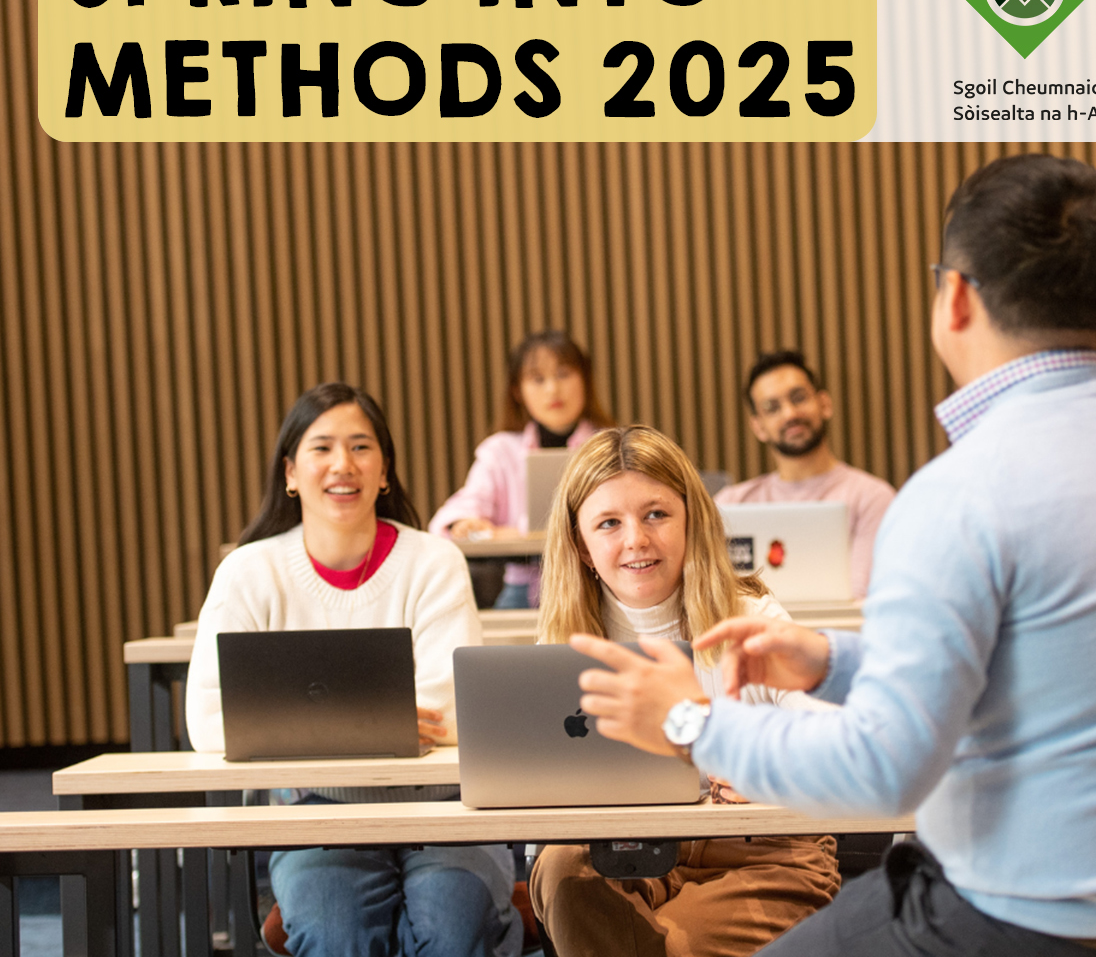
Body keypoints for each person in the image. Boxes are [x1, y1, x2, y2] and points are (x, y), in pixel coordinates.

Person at [564, 155, 1096, 956]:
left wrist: (688, 721)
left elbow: (883, 772)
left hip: (1039, 928)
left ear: (955, 298)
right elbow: (1043, 667)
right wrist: (833, 661)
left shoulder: (958, 493)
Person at [186, 383, 522, 957]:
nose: (343, 464)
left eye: (361, 447)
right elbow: (211, 718)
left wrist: (301, 727)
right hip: (317, 809)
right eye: (322, 448)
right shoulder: (249, 571)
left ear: (385, 470)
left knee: (453, 932)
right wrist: (377, 723)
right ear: (290, 472)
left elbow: (450, 707)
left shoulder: (433, 560)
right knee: (335, 934)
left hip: (441, 804)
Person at [528, 425, 840, 957]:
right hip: (625, 844)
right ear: (581, 545)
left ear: (691, 519)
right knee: (560, 868)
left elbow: (830, 731)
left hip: (761, 849)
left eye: (656, 514)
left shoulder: (751, 616)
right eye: (609, 523)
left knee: (668, 947)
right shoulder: (565, 637)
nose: (636, 540)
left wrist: (770, 763)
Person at [430, 331, 614, 608]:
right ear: (518, 391)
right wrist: (465, 525)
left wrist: (514, 531)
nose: (552, 389)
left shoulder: (611, 447)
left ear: (585, 380)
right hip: (524, 591)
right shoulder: (500, 451)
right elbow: (446, 525)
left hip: (601, 585)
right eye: (538, 379)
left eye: (563, 374)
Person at [714, 350, 896, 600]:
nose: (789, 414)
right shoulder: (728, 505)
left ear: (824, 404)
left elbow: (861, 600)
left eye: (798, 398)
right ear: (758, 426)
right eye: (772, 407)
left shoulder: (872, 498)